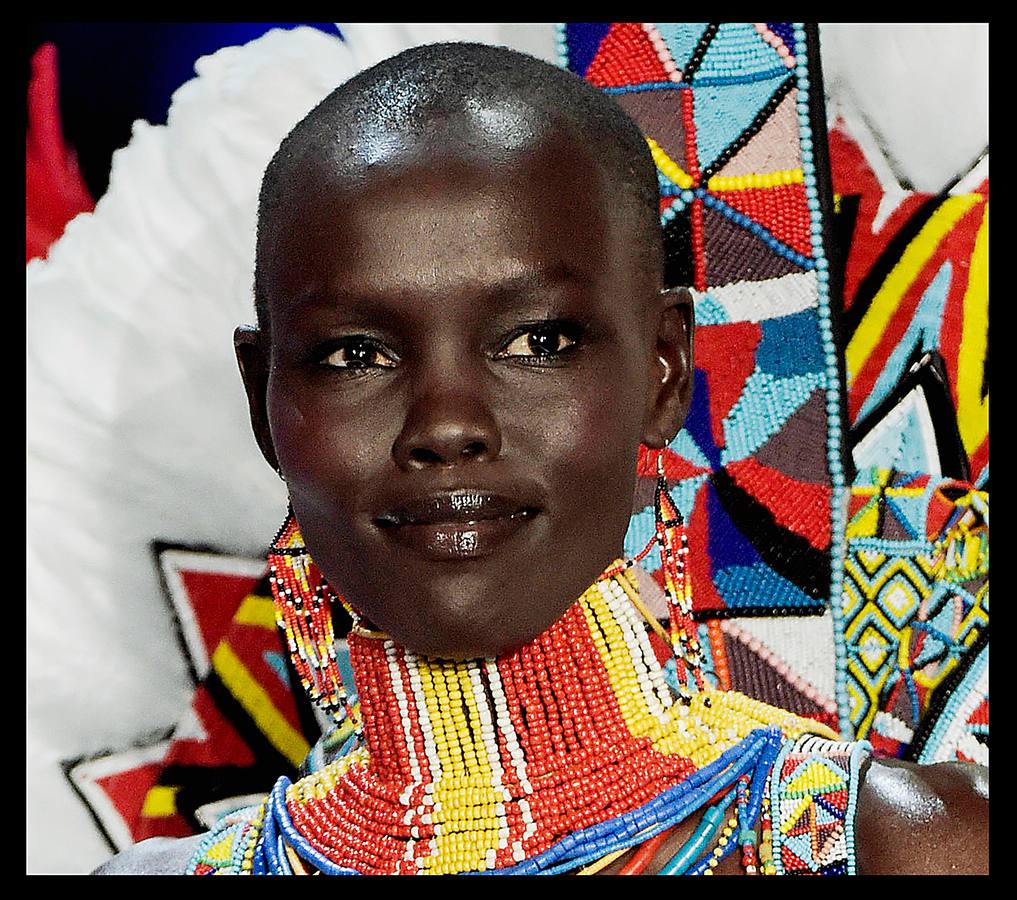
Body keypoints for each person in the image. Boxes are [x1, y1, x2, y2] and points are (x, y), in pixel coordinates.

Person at [94, 41, 987, 876]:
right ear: (264, 400)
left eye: (538, 340)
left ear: (662, 370)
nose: (446, 425)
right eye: (354, 354)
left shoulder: (903, 848)